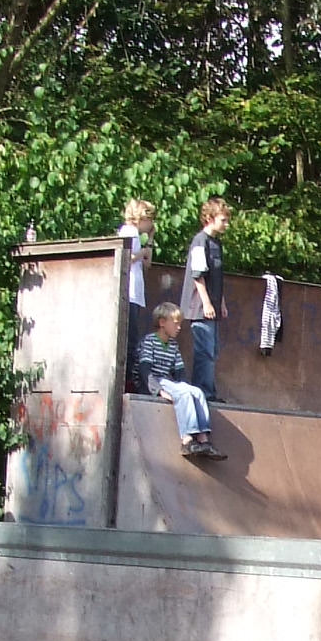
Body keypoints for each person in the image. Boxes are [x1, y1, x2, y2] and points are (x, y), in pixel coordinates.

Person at [130, 303, 225, 462]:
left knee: (196, 392)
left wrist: (184, 386)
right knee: (183, 394)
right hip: (152, 382)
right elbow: (145, 371)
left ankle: (203, 439)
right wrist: (159, 391)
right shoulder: (149, 341)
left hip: (166, 380)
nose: (179, 328)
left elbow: (180, 373)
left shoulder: (173, 345)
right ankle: (187, 440)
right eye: (176, 323)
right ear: (162, 323)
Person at [178, 197, 231, 402]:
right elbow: (198, 275)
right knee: (205, 351)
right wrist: (207, 303)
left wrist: (221, 303)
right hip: (199, 307)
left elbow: (216, 277)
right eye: (223, 220)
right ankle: (203, 394)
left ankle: (209, 392)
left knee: (213, 351)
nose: (226, 224)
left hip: (213, 306)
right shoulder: (200, 241)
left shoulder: (217, 243)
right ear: (209, 218)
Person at [117, 198, 157, 347]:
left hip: (136, 294)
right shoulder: (129, 231)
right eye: (150, 220)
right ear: (142, 218)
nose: (152, 224)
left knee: (133, 336)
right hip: (129, 291)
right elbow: (126, 258)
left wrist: (150, 240)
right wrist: (142, 253)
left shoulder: (136, 234)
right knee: (130, 339)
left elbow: (147, 263)